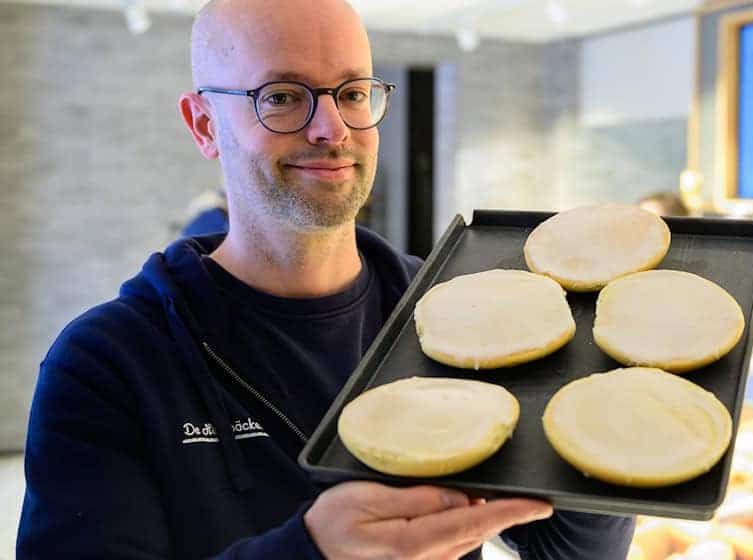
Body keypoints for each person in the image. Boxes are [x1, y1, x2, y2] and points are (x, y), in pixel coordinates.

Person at [16, 0, 636, 558]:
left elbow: (565, 549)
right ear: (204, 124)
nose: (331, 129)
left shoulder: (449, 313)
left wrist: (598, 407)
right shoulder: (107, 364)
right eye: (282, 96)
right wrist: (310, 554)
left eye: (353, 93)